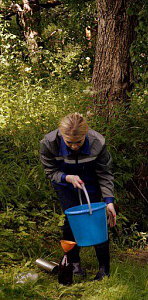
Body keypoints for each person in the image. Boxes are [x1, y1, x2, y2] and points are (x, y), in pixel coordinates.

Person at [39, 112, 117, 280]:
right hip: (66, 184)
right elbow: (50, 171)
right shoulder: (49, 143)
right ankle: (73, 263)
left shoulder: (98, 142)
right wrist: (66, 177)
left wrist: (109, 201)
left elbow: (105, 173)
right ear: (61, 135)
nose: (74, 147)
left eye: (79, 142)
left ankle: (104, 269)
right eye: (70, 143)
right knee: (71, 220)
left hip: (91, 182)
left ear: (86, 134)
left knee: (97, 219)